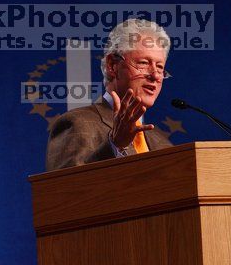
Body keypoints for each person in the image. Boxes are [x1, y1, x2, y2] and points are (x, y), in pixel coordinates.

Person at [45, 18, 174, 171]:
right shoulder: (76, 123)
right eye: (144, 63)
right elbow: (63, 191)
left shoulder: (163, 143)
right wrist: (115, 145)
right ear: (112, 65)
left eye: (160, 67)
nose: (155, 76)